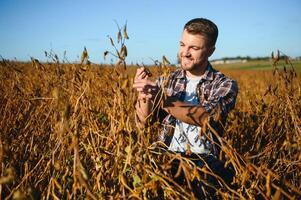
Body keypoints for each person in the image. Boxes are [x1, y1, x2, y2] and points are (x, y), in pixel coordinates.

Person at [133, 18, 238, 198]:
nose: (185, 53)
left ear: (210, 51)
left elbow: (206, 117)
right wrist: (144, 98)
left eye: (194, 48)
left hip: (206, 163)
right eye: (182, 45)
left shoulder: (225, 84)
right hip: (167, 156)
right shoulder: (166, 81)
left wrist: (162, 98)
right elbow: (143, 123)